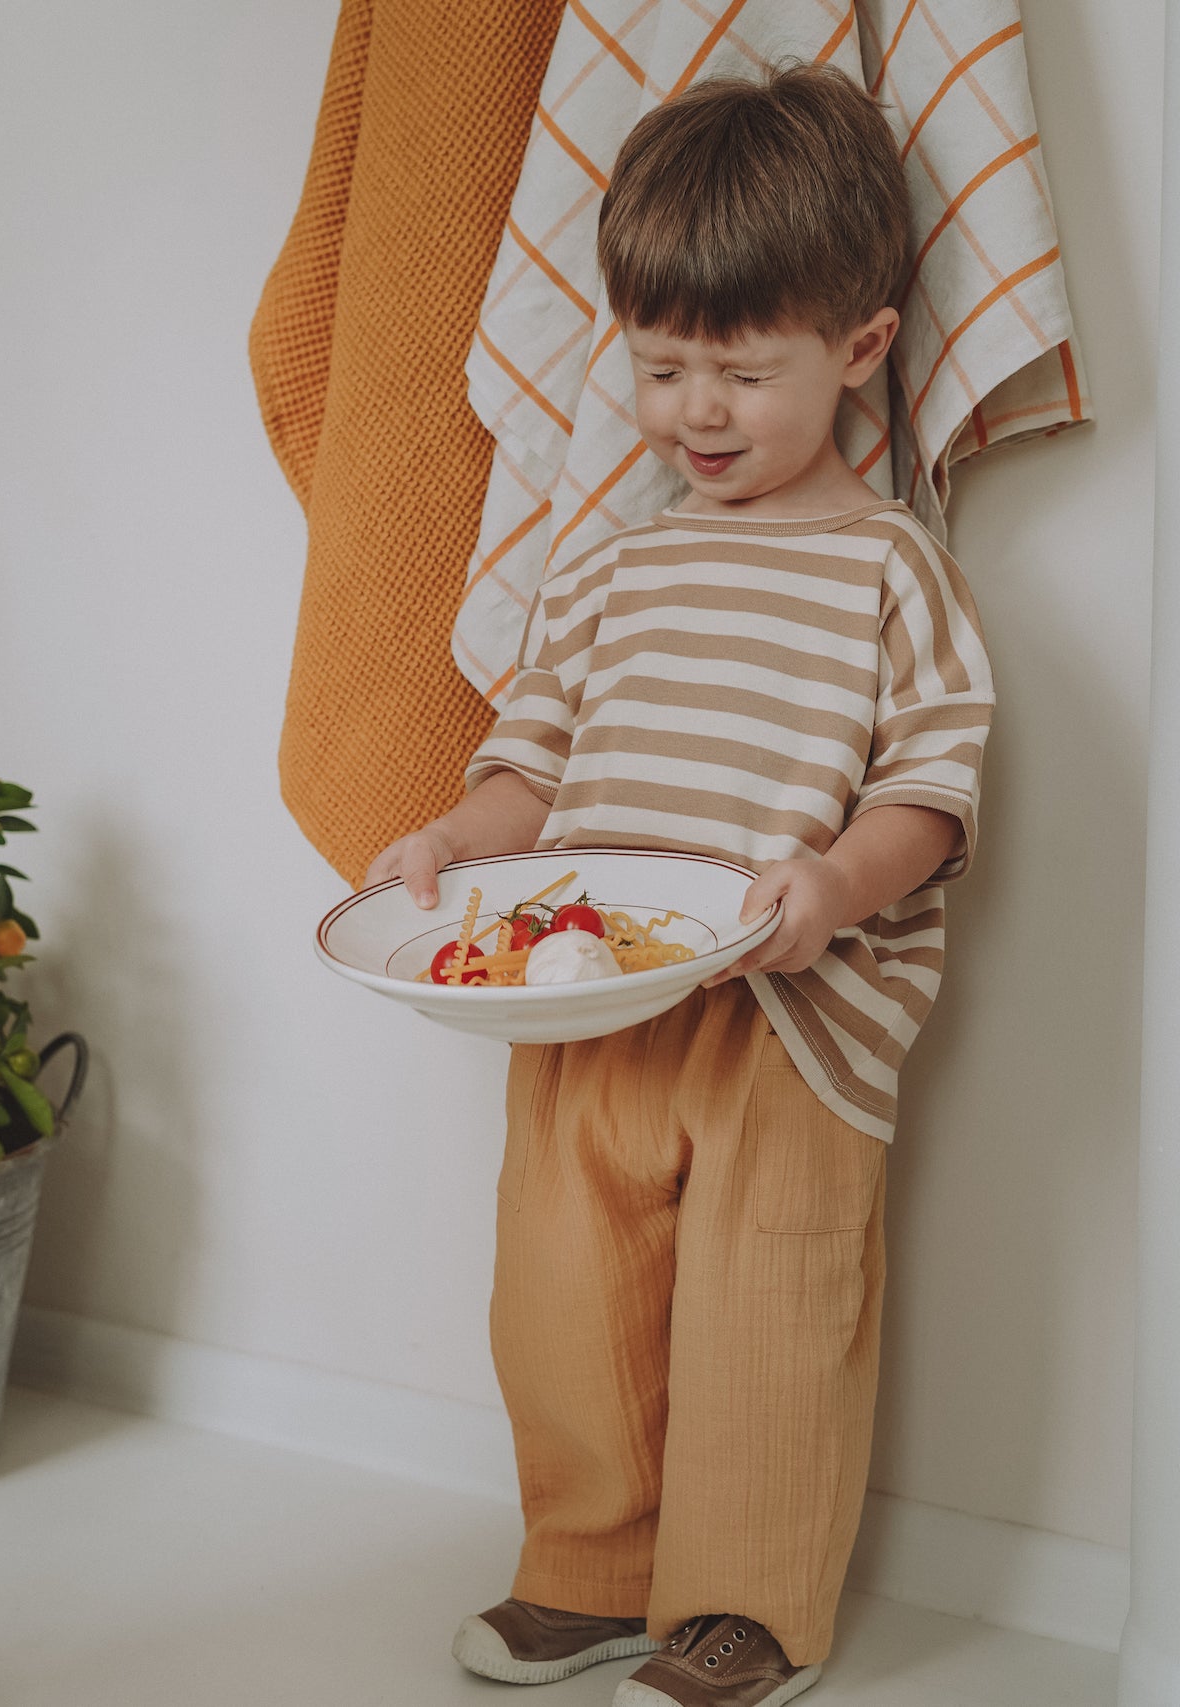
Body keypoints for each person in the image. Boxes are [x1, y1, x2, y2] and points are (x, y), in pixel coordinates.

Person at [364, 64, 994, 1707]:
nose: (695, 413)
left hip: (792, 1013)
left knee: (768, 1306)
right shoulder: (615, 564)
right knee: (564, 1287)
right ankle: (590, 1568)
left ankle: (748, 1606)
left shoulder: (889, 565)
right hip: (588, 988)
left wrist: (836, 884)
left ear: (859, 348)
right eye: (660, 368)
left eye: (741, 371)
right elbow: (533, 759)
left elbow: (934, 792)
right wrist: (449, 843)